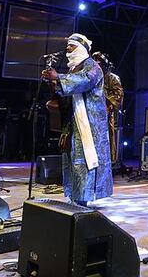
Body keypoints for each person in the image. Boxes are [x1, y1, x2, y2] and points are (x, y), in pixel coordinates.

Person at [42, 33, 113, 206]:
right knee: (73, 160)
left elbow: (85, 81)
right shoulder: (73, 69)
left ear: (80, 48)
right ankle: (75, 196)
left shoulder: (92, 66)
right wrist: (52, 83)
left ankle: (82, 200)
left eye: (71, 47)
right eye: (67, 46)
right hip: (74, 122)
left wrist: (58, 77)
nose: (68, 50)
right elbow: (66, 92)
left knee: (85, 161)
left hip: (89, 124)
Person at [92, 51, 123, 165]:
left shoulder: (111, 78)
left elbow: (118, 95)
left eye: (98, 61)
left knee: (104, 143)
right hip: (90, 113)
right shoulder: (92, 77)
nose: (96, 63)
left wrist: (108, 105)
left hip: (104, 116)